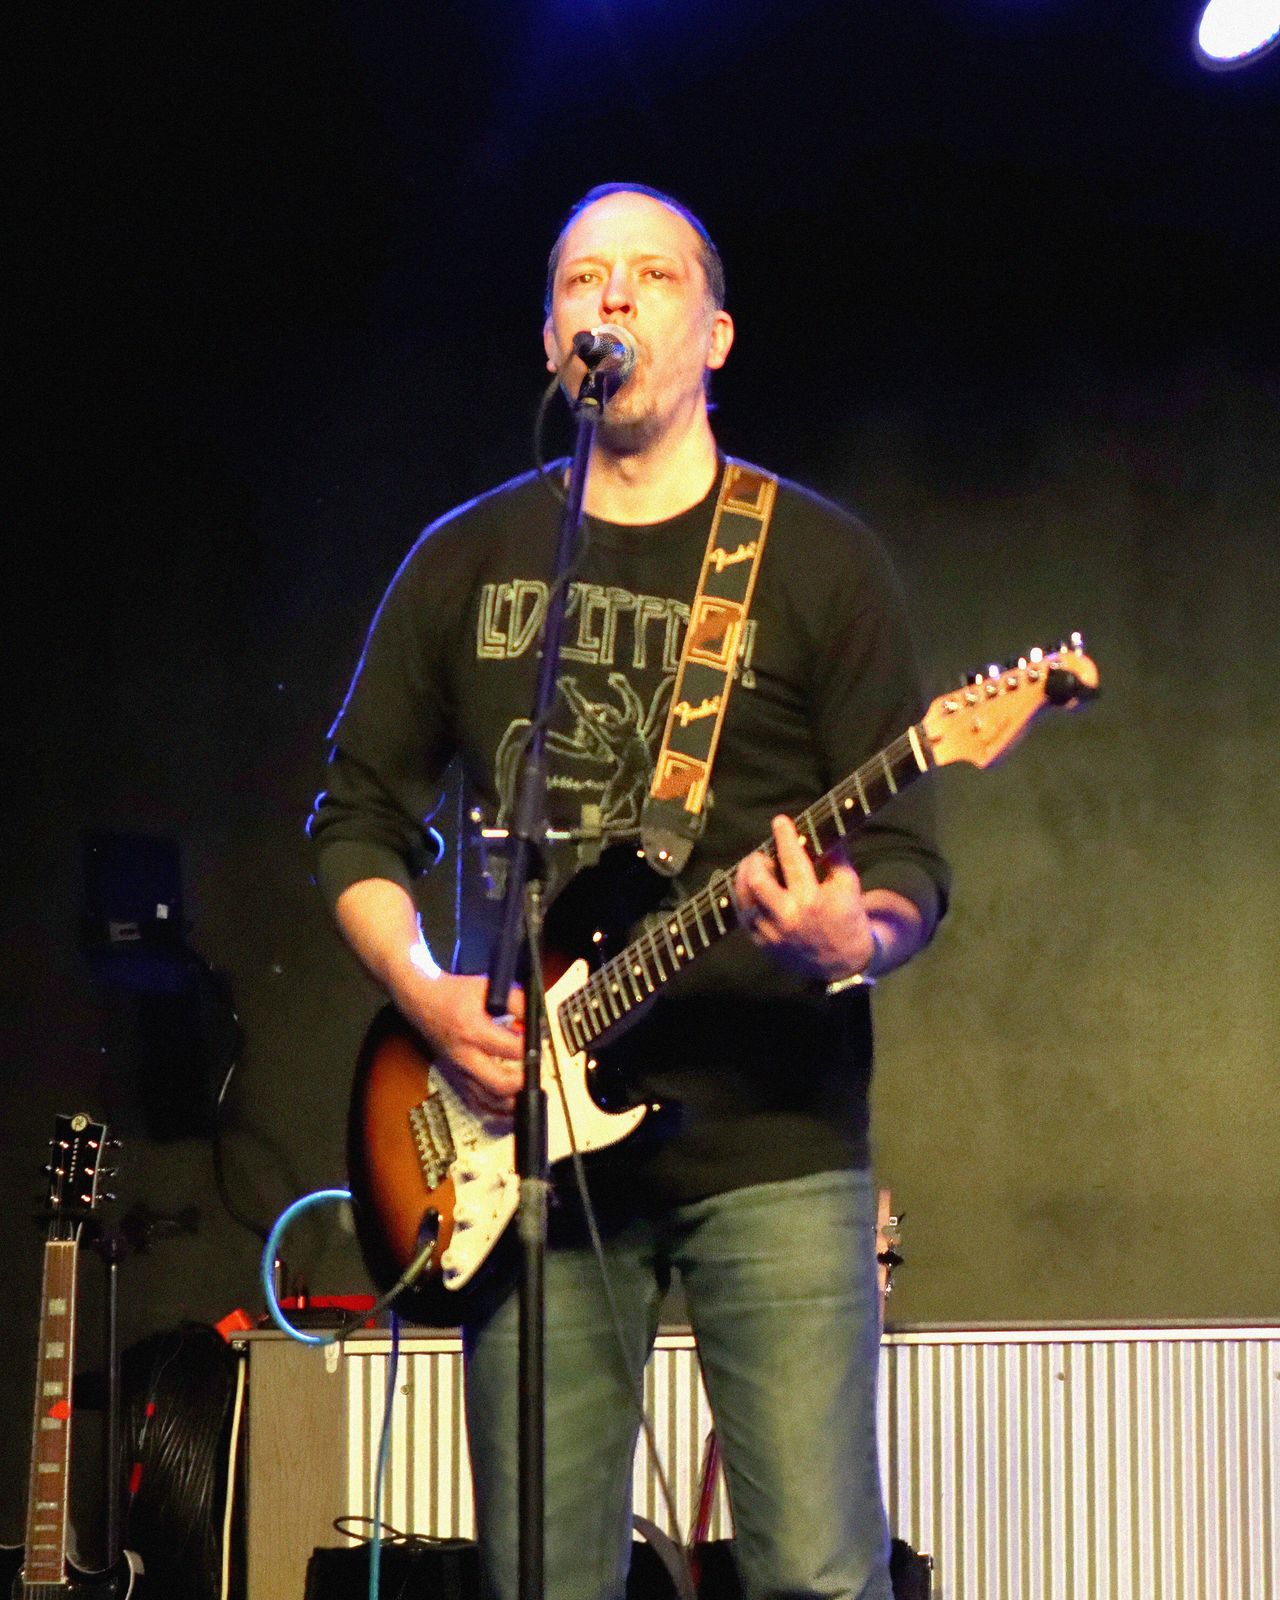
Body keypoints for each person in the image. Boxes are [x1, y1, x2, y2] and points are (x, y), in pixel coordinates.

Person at [310, 182, 950, 1600]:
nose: (614, 296)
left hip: (774, 1142)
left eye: (653, 275)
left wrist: (848, 932)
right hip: (521, 1150)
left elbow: (911, 868)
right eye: (583, 278)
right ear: (552, 339)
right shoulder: (466, 559)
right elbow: (355, 821)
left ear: (715, 334)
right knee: (543, 1576)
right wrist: (426, 995)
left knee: (818, 1575)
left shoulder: (822, 562)